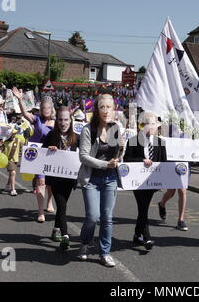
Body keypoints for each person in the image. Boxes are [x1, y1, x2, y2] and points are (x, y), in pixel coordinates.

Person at [77, 94, 122, 267]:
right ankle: (85, 243)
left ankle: (105, 252)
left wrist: (119, 155)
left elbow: (118, 154)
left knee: (107, 217)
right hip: (92, 178)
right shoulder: (89, 129)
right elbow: (83, 156)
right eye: (102, 107)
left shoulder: (115, 128)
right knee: (92, 216)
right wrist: (105, 164)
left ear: (113, 109)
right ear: (96, 109)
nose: (105, 110)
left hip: (110, 179)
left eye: (108, 107)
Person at [124, 112, 167, 251]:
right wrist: (141, 161)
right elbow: (127, 160)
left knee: (144, 208)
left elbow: (164, 163)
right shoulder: (133, 141)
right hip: (137, 181)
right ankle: (147, 237)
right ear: (142, 125)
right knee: (143, 207)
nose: (152, 127)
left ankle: (137, 234)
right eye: (149, 123)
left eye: (154, 124)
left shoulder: (160, 142)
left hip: (152, 181)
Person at [12, 87, 55, 222]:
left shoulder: (56, 122)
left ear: (52, 108)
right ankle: (40, 212)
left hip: (52, 154)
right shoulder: (37, 120)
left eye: (48, 108)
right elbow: (25, 114)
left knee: (51, 183)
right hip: (37, 154)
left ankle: (49, 201)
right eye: (43, 108)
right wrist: (20, 99)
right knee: (41, 182)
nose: (46, 110)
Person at [42, 106, 80, 251]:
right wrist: (49, 151)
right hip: (55, 178)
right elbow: (41, 156)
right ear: (56, 120)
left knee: (62, 206)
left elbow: (81, 156)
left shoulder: (76, 137)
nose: (63, 123)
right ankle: (65, 236)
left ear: (70, 120)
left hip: (69, 179)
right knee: (62, 205)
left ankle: (56, 228)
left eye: (65, 120)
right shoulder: (50, 136)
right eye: (60, 120)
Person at [0, 128, 24, 196]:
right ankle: (13, 189)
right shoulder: (4, 141)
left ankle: (7, 185)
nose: (13, 135)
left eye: (14, 133)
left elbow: (23, 147)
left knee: (11, 174)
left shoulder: (18, 140)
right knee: (13, 172)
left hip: (16, 159)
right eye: (12, 133)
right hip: (8, 159)